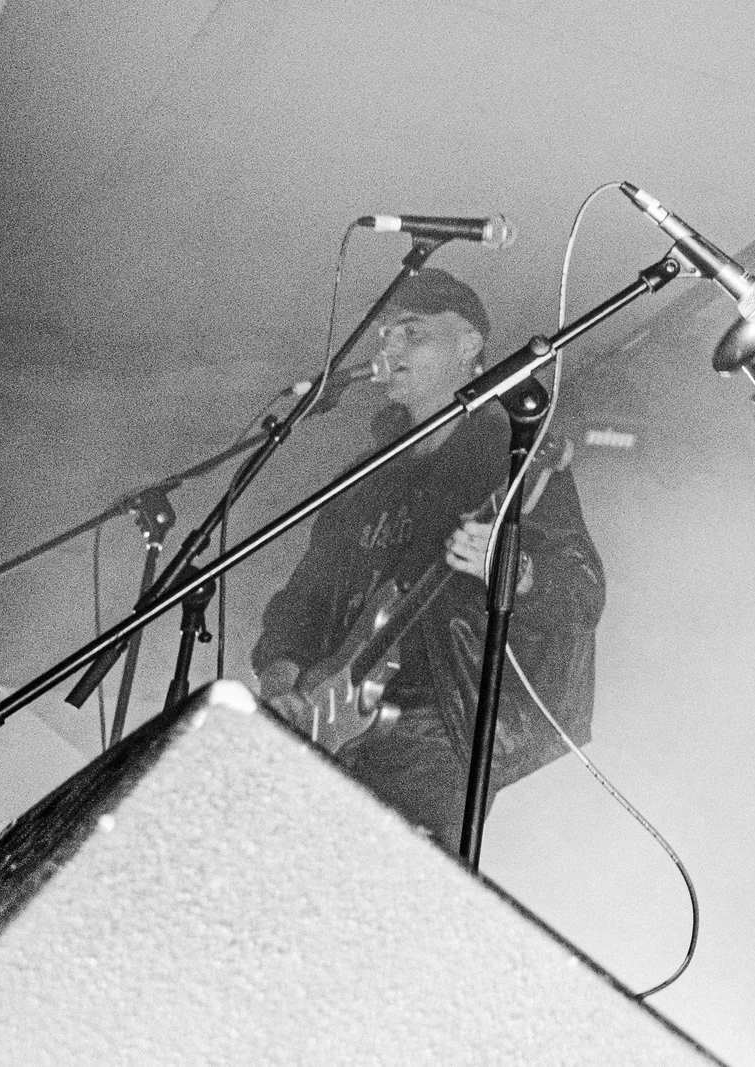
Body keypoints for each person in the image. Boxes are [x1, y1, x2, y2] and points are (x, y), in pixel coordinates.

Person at [252, 268, 603, 846]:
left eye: (411, 332)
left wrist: (508, 568)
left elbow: (581, 587)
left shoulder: (514, 454)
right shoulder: (368, 475)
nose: (389, 347)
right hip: (342, 735)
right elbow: (304, 597)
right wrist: (284, 680)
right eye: (384, 334)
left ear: (468, 344)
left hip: (446, 729)